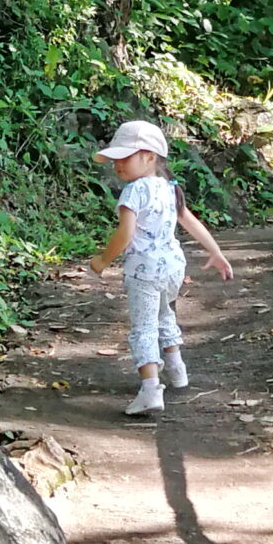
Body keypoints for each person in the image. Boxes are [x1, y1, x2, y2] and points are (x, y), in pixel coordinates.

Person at [87, 118, 233, 414]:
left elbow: (125, 234)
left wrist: (103, 260)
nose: (118, 165)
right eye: (115, 159)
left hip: (144, 271)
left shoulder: (134, 191)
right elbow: (190, 221)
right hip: (171, 269)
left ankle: (151, 389)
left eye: (125, 157)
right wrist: (215, 251)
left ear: (149, 157)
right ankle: (177, 370)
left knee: (143, 328)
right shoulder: (169, 187)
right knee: (165, 313)